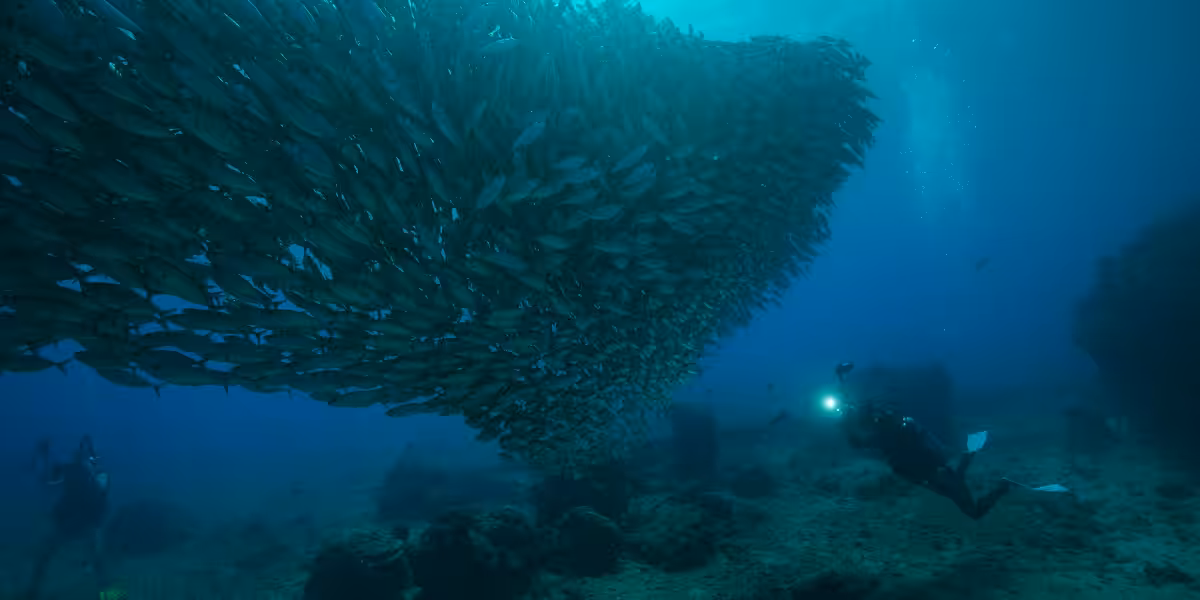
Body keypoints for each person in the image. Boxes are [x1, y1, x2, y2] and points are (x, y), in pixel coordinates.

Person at [832, 362, 1013, 520]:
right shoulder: (889, 430)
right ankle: (976, 463)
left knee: (970, 509)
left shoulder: (887, 432)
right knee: (962, 496)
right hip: (926, 472)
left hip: (929, 471)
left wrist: (847, 423)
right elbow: (864, 442)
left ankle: (999, 482)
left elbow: (863, 442)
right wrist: (848, 422)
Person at [25, 435, 111, 599]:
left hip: (78, 523)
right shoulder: (88, 473)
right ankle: (32, 591)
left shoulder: (81, 472)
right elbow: (47, 479)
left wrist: (43, 454)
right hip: (78, 523)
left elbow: (46, 479)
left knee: (46, 555)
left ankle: (32, 591)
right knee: (97, 560)